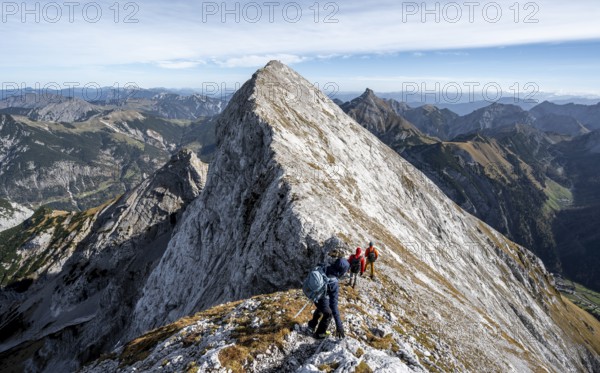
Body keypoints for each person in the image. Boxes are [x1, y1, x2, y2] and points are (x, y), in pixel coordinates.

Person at [307, 257, 350, 339]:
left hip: (314, 295)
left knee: (320, 308)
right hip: (321, 298)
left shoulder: (325, 266)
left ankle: (311, 325)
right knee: (329, 313)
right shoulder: (334, 283)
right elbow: (334, 306)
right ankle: (320, 333)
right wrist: (339, 325)